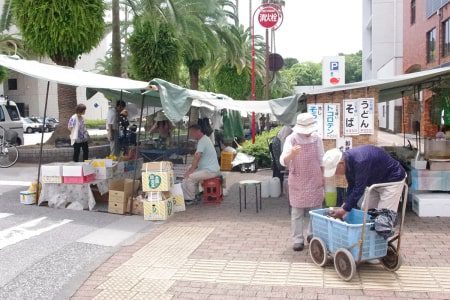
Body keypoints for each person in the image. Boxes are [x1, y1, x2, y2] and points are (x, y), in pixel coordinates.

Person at [280, 113, 325, 251]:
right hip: (298, 179)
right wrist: (291, 154)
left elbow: (322, 158)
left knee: (316, 210)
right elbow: (283, 161)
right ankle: (298, 239)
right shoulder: (291, 139)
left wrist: (323, 177)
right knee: (297, 211)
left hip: (314, 177)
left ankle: (313, 234)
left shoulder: (317, 138)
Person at [323, 145, 406, 220]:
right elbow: (352, 185)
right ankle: (369, 235)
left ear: (341, 163)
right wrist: (345, 205)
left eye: (335, 171)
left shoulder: (360, 161)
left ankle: (383, 234)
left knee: (384, 217)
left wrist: (344, 209)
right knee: (366, 213)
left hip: (392, 180)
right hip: (376, 182)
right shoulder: (348, 160)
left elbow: (359, 188)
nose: (336, 174)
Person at [182, 124, 221, 203]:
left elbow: (197, 156)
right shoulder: (205, 139)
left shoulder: (203, 141)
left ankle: (191, 199)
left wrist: (191, 170)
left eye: (192, 133)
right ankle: (195, 195)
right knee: (189, 174)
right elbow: (199, 157)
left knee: (189, 178)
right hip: (211, 169)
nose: (191, 135)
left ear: (198, 131)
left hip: (210, 171)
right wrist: (192, 168)